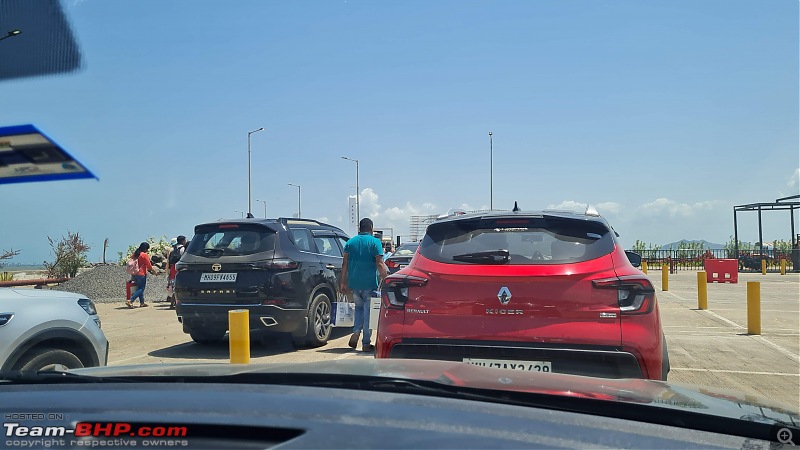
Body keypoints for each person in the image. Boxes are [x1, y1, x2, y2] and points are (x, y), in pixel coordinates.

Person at [340, 218, 388, 352]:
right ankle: (366, 343)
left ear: (359, 228)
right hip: (369, 284)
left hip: (354, 284)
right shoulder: (375, 242)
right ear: (371, 228)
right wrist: (387, 279)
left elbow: (344, 264)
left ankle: (356, 331)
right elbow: (379, 263)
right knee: (368, 314)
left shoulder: (350, 242)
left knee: (359, 309)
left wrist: (342, 282)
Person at [126, 242, 160, 309]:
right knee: (141, 289)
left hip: (134, 273)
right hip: (141, 274)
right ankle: (131, 300)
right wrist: (154, 272)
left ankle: (142, 302)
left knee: (139, 287)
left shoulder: (135, 254)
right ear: (145, 249)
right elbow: (149, 266)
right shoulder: (144, 255)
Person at [167, 236, 188, 309]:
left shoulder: (172, 250)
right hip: (180, 269)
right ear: (183, 241)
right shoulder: (184, 249)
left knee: (174, 287)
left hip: (173, 269)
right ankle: (179, 302)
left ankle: (172, 303)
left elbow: (169, 262)